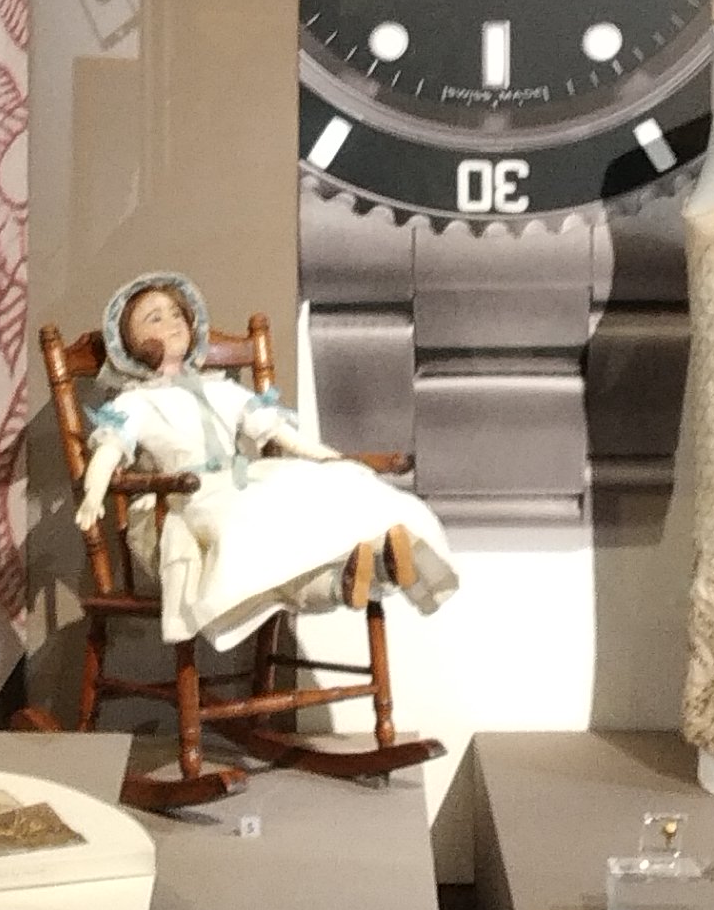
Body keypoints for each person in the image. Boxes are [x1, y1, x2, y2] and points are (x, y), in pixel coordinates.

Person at [79, 272, 459, 646]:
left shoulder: (220, 390)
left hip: (234, 480)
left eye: (177, 314)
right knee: (242, 523)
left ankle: (379, 562)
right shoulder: (135, 403)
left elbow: (283, 436)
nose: (172, 323)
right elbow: (111, 450)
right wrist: (94, 496)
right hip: (180, 496)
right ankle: (339, 583)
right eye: (155, 318)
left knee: (327, 487)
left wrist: (335, 460)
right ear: (129, 343)